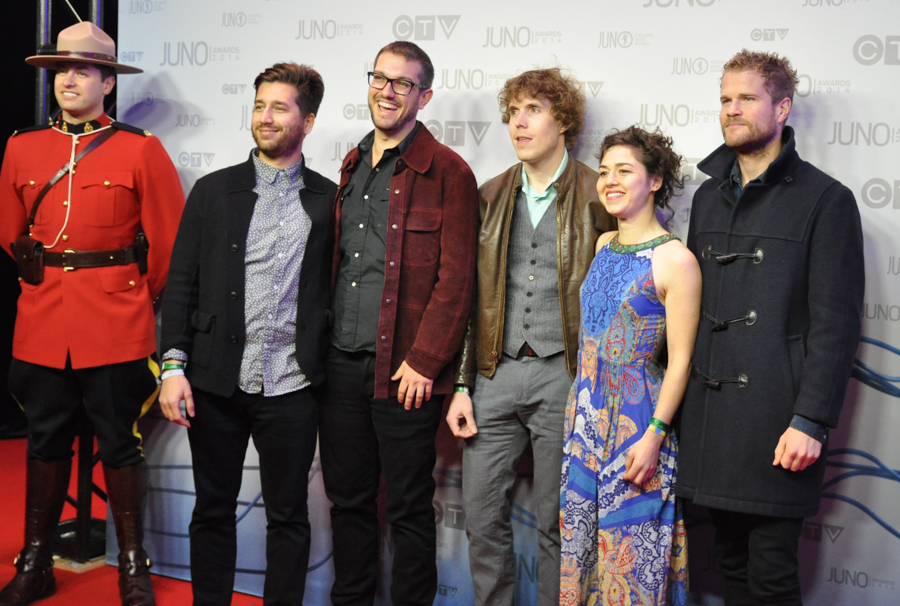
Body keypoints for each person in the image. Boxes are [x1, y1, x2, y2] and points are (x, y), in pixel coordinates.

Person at [0, 22, 184, 606]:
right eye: (61, 71)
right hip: (43, 320)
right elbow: (11, 235)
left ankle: (132, 562)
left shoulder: (140, 148)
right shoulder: (22, 146)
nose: (68, 80)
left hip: (115, 321)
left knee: (119, 443)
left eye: (82, 70)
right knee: (44, 440)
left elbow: (168, 246)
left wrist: (128, 298)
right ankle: (36, 561)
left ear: (109, 82)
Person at [677, 50, 865, 606]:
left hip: (777, 422)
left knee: (772, 574)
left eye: (747, 98)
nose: (732, 110)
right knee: (728, 564)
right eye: (725, 99)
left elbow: (836, 324)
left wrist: (810, 420)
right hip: (709, 420)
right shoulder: (708, 195)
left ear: (782, 107)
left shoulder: (827, 199)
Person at [158, 62, 335, 606]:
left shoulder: (331, 201)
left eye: (280, 107)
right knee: (212, 509)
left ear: (308, 119)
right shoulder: (213, 191)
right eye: (259, 105)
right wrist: (172, 368)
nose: (265, 117)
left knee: (288, 516)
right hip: (215, 380)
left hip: (292, 383)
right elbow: (181, 282)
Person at [445, 67, 615, 606]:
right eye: (513, 112)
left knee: (558, 524)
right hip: (494, 375)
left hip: (566, 375)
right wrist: (462, 384)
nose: (518, 123)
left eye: (533, 110)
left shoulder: (598, 193)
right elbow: (469, 299)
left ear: (562, 121)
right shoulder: (488, 195)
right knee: (480, 516)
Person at [320, 41, 478, 606]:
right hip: (341, 364)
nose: (387, 92)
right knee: (349, 501)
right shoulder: (353, 162)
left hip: (406, 372)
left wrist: (426, 360)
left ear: (424, 95)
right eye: (379, 79)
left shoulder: (449, 172)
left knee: (409, 507)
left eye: (402, 84)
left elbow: (458, 281)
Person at [559, 126, 699, 606]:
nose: (609, 180)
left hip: (637, 426)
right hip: (584, 422)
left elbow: (680, 360)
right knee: (581, 556)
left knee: (630, 564)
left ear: (655, 180)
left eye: (624, 170)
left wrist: (655, 433)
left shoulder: (674, 259)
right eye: (603, 171)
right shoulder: (601, 245)